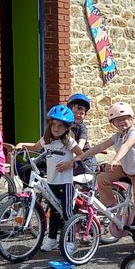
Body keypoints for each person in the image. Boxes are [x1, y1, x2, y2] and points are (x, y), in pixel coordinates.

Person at [59, 102, 135, 233]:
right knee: (102, 179)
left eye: (124, 118)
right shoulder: (118, 136)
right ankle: (112, 206)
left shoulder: (134, 133)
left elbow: (126, 146)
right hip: (125, 169)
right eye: (117, 120)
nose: (122, 122)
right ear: (113, 123)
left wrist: (114, 160)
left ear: (131, 118)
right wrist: (80, 157)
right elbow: (100, 147)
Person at [22, 105, 85, 251]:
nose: (56, 128)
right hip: (51, 182)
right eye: (53, 125)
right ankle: (51, 240)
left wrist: (70, 163)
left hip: (65, 183)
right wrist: (21, 145)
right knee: (53, 212)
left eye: (60, 125)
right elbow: (36, 147)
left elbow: (81, 155)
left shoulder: (69, 141)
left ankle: (70, 242)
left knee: (67, 212)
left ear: (66, 128)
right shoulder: (47, 140)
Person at [66, 93, 95, 175]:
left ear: (85, 114)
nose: (78, 115)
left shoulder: (82, 128)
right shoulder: (65, 126)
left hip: (85, 158)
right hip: (72, 157)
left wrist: (72, 158)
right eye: (75, 112)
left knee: (87, 182)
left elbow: (80, 145)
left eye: (81, 113)